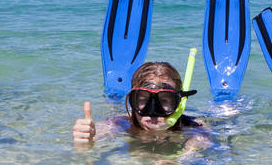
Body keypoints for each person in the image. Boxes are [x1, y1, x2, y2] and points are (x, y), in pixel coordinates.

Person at [73, 61, 206, 144]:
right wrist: (85, 142)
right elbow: (96, 137)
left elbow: (199, 151)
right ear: (132, 101)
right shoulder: (119, 124)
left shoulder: (194, 128)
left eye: (164, 100)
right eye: (143, 100)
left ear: (178, 103)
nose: (153, 111)